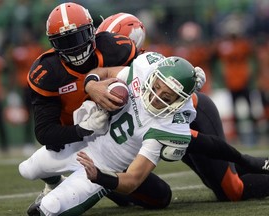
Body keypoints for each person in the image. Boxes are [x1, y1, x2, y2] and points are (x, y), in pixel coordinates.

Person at [92, 12, 269, 206]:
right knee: (154, 194)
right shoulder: (104, 67)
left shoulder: (143, 66)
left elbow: (198, 139)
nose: (103, 50)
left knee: (232, 189)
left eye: (110, 43)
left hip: (191, 120)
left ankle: (253, 162)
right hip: (163, 128)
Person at [22, 52, 198, 215]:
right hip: (85, 143)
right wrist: (91, 85)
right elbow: (103, 72)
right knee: (27, 169)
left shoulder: (168, 126)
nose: (155, 96)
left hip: (105, 166)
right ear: (152, 76)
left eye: (166, 97)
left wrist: (99, 176)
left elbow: (132, 181)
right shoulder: (141, 72)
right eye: (156, 86)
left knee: (48, 208)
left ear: (179, 101)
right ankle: (55, 183)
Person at [20, 2, 138, 215]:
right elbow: (45, 132)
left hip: (114, 137)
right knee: (29, 168)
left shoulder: (115, 48)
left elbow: (146, 73)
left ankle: (96, 182)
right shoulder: (47, 71)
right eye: (64, 41)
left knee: (157, 196)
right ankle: (55, 183)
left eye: (78, 37)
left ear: (92, 32)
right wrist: (83, 129)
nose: (74, 47)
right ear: (53, 44)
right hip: (73, 139)